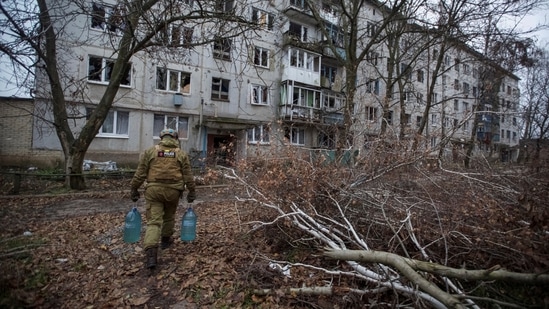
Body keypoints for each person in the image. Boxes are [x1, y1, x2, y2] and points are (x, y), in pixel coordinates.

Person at [130, 128, 196, 270]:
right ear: (175, 138)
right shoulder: (181, 154)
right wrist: (192, 191)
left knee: (154, 222)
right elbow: (188, 175)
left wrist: (134, 188)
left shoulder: (150, 152)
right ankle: (166, 241)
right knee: (169, 217)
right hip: (173, 191)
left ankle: (151, 256)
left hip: (154, 191)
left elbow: (141, 173)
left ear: (161, 138)